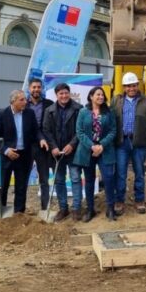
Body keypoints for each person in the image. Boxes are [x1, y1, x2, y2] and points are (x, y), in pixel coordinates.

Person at [111, 72, 146, 215]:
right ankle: (119, 201)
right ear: (124, 87)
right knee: (120, 174)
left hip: (139, 142)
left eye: (133, 85)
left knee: (139, 173)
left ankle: (139, 200)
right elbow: (111, 120)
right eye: (128, 86)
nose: (131, 88)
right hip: (121, 142)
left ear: (138, 85)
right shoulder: (116, 100)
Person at [0, 90, 40, 214]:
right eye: (22, 100)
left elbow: (36, 131)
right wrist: (6, 150)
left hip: (24, 156)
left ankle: (19, 213)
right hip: (5, 156)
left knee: (21, 187)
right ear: (13, 101)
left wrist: (42, 139)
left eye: (25, 99)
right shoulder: (2, 114)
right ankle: (1, 213)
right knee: (3, 186)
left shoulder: (30, 113)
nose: (25, 102)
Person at [74, 86, 117, 222]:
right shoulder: (83, 112)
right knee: (89, 180)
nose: (100, 97)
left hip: (105, 150)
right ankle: (90, 209)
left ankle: (110, 208)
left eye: (102, 95)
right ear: (91, 96)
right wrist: (92, 146)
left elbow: (113, 131)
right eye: (98, 94)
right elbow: (79, 132)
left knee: (108, 178)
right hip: (88, 151)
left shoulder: (109, 112)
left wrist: (101, 145)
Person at [42, 83, 83, 221]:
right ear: (56, 95)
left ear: (69, 93)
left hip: (73, 151)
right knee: (59, 181)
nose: (64, 96)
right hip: (56, 153)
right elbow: (46, 130)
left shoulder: (78, 109)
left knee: (75, 179)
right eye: (61, 93)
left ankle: (77, 208)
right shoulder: (49, 111)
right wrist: (53, 147)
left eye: (66, 93)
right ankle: (63, 208)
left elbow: (81, 130)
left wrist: (72, 144)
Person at [26, 78, 54, 212]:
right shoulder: (23, 104)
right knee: (23, 179)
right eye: (34, 87)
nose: (36, 89)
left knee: (44, 179)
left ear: (42, 88)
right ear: (29, 89)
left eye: (38, 87)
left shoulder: (49, 104)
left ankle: (45, 208)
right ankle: (20, 209)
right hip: (26, 146)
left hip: (43, 147)